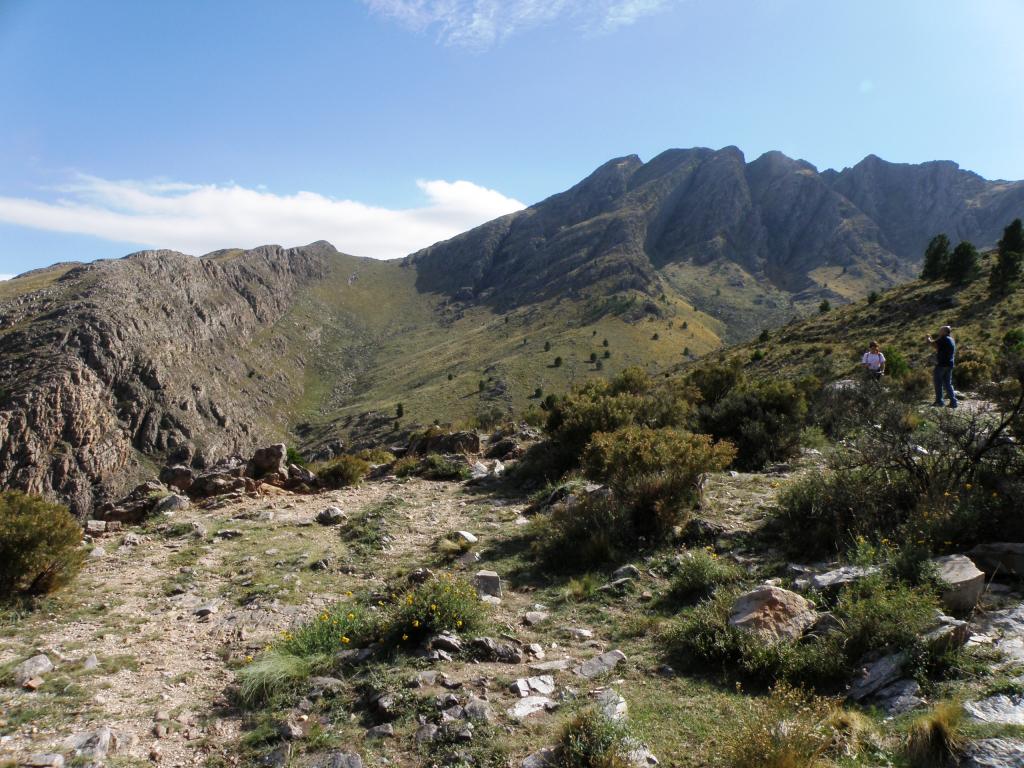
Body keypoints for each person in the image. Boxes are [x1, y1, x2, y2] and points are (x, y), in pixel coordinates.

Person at [927, 325, 957, 408]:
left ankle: (939, 402)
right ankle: (953, 402)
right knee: (948, 383)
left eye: (941, 330)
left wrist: (928, 338)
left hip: (941, 364)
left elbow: (933, 344)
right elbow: (938, 347)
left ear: (945, 332)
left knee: (938, 383)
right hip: (950, 364)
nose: (939, 331)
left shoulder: (943, 339)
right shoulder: (951, 339)